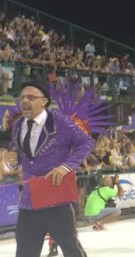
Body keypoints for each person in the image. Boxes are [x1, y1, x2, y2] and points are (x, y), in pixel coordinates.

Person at [8, 81, 94, 257]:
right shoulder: (18, 126)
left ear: (44, 101)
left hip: (56, 198)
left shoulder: (59, 122)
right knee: (24, 252)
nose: (25, 101)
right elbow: (23, 156)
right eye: (23, 97)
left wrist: (65, 166)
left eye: (31, 97)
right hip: (29, 201)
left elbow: (86, 142)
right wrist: (14, 159)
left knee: (71, 250)